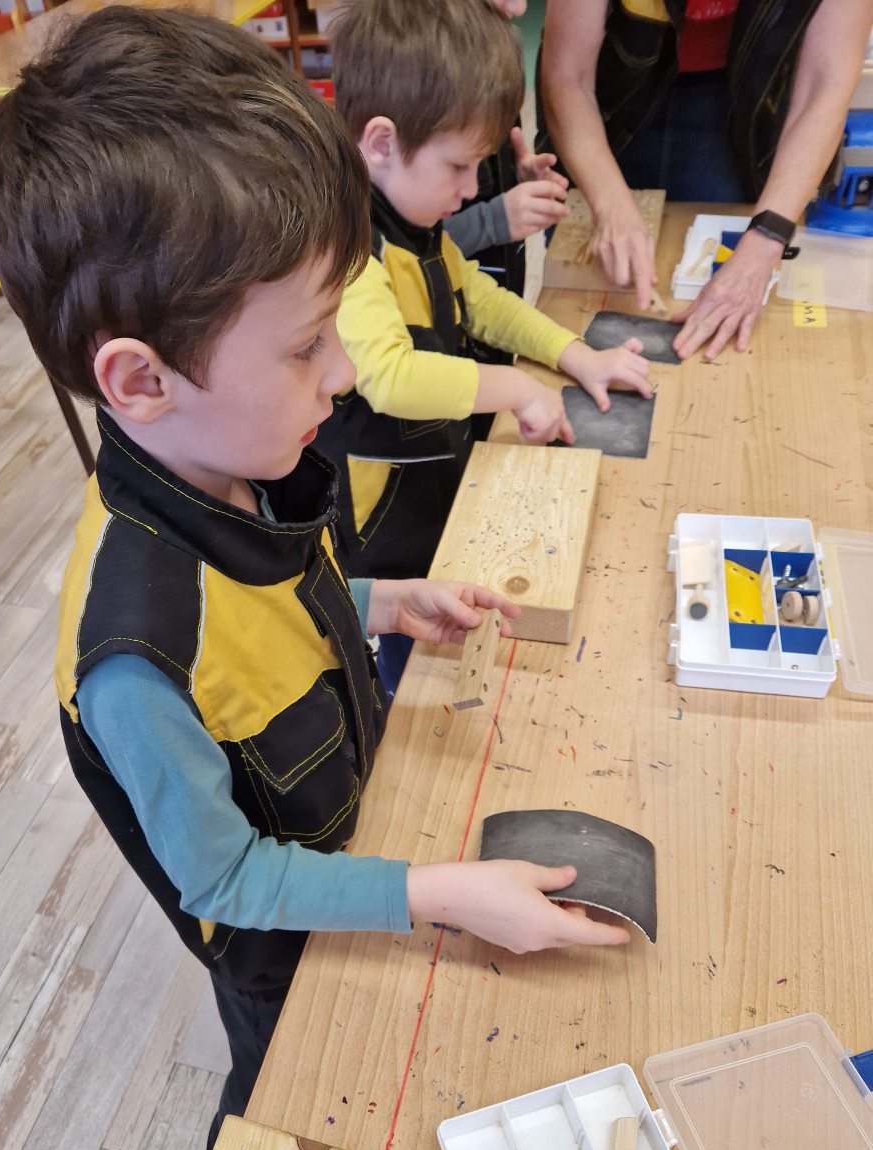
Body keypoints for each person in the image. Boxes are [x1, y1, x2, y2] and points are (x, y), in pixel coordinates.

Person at [0, 6, 630, 1150]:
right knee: (300, 1111)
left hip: (362, 845)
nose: (343, 372)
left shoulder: (242, 455)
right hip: (293, 950)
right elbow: (227, 877)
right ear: (141, 381)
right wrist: (434, 893)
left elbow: (279, 607)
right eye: (305, 345)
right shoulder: (135, 661)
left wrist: (381, 602)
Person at [319, 0, 651, 693]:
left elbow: (477, 297)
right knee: (417, 677)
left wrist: (574, 355)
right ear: (380, 143)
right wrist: (517, 387)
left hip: (437, 496)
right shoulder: (347, 248)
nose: (473, 189)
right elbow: (390, 377)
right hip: (385, 539)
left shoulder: (411, 219)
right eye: (460, 166)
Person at [536, 0, 873, 360]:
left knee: (712, 300)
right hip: (605, 89)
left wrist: (765, 241)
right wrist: (611, 206)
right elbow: (569, 76)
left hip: (737, 91)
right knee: (584, 290)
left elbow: (824, 88)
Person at [444, 0, 571, 305]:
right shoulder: (417, 87)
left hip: (493, 297)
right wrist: (492, 222)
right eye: (457, 166)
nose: (519, 7)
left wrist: (515, 179)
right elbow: (394, 250)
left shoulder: (486, 63)